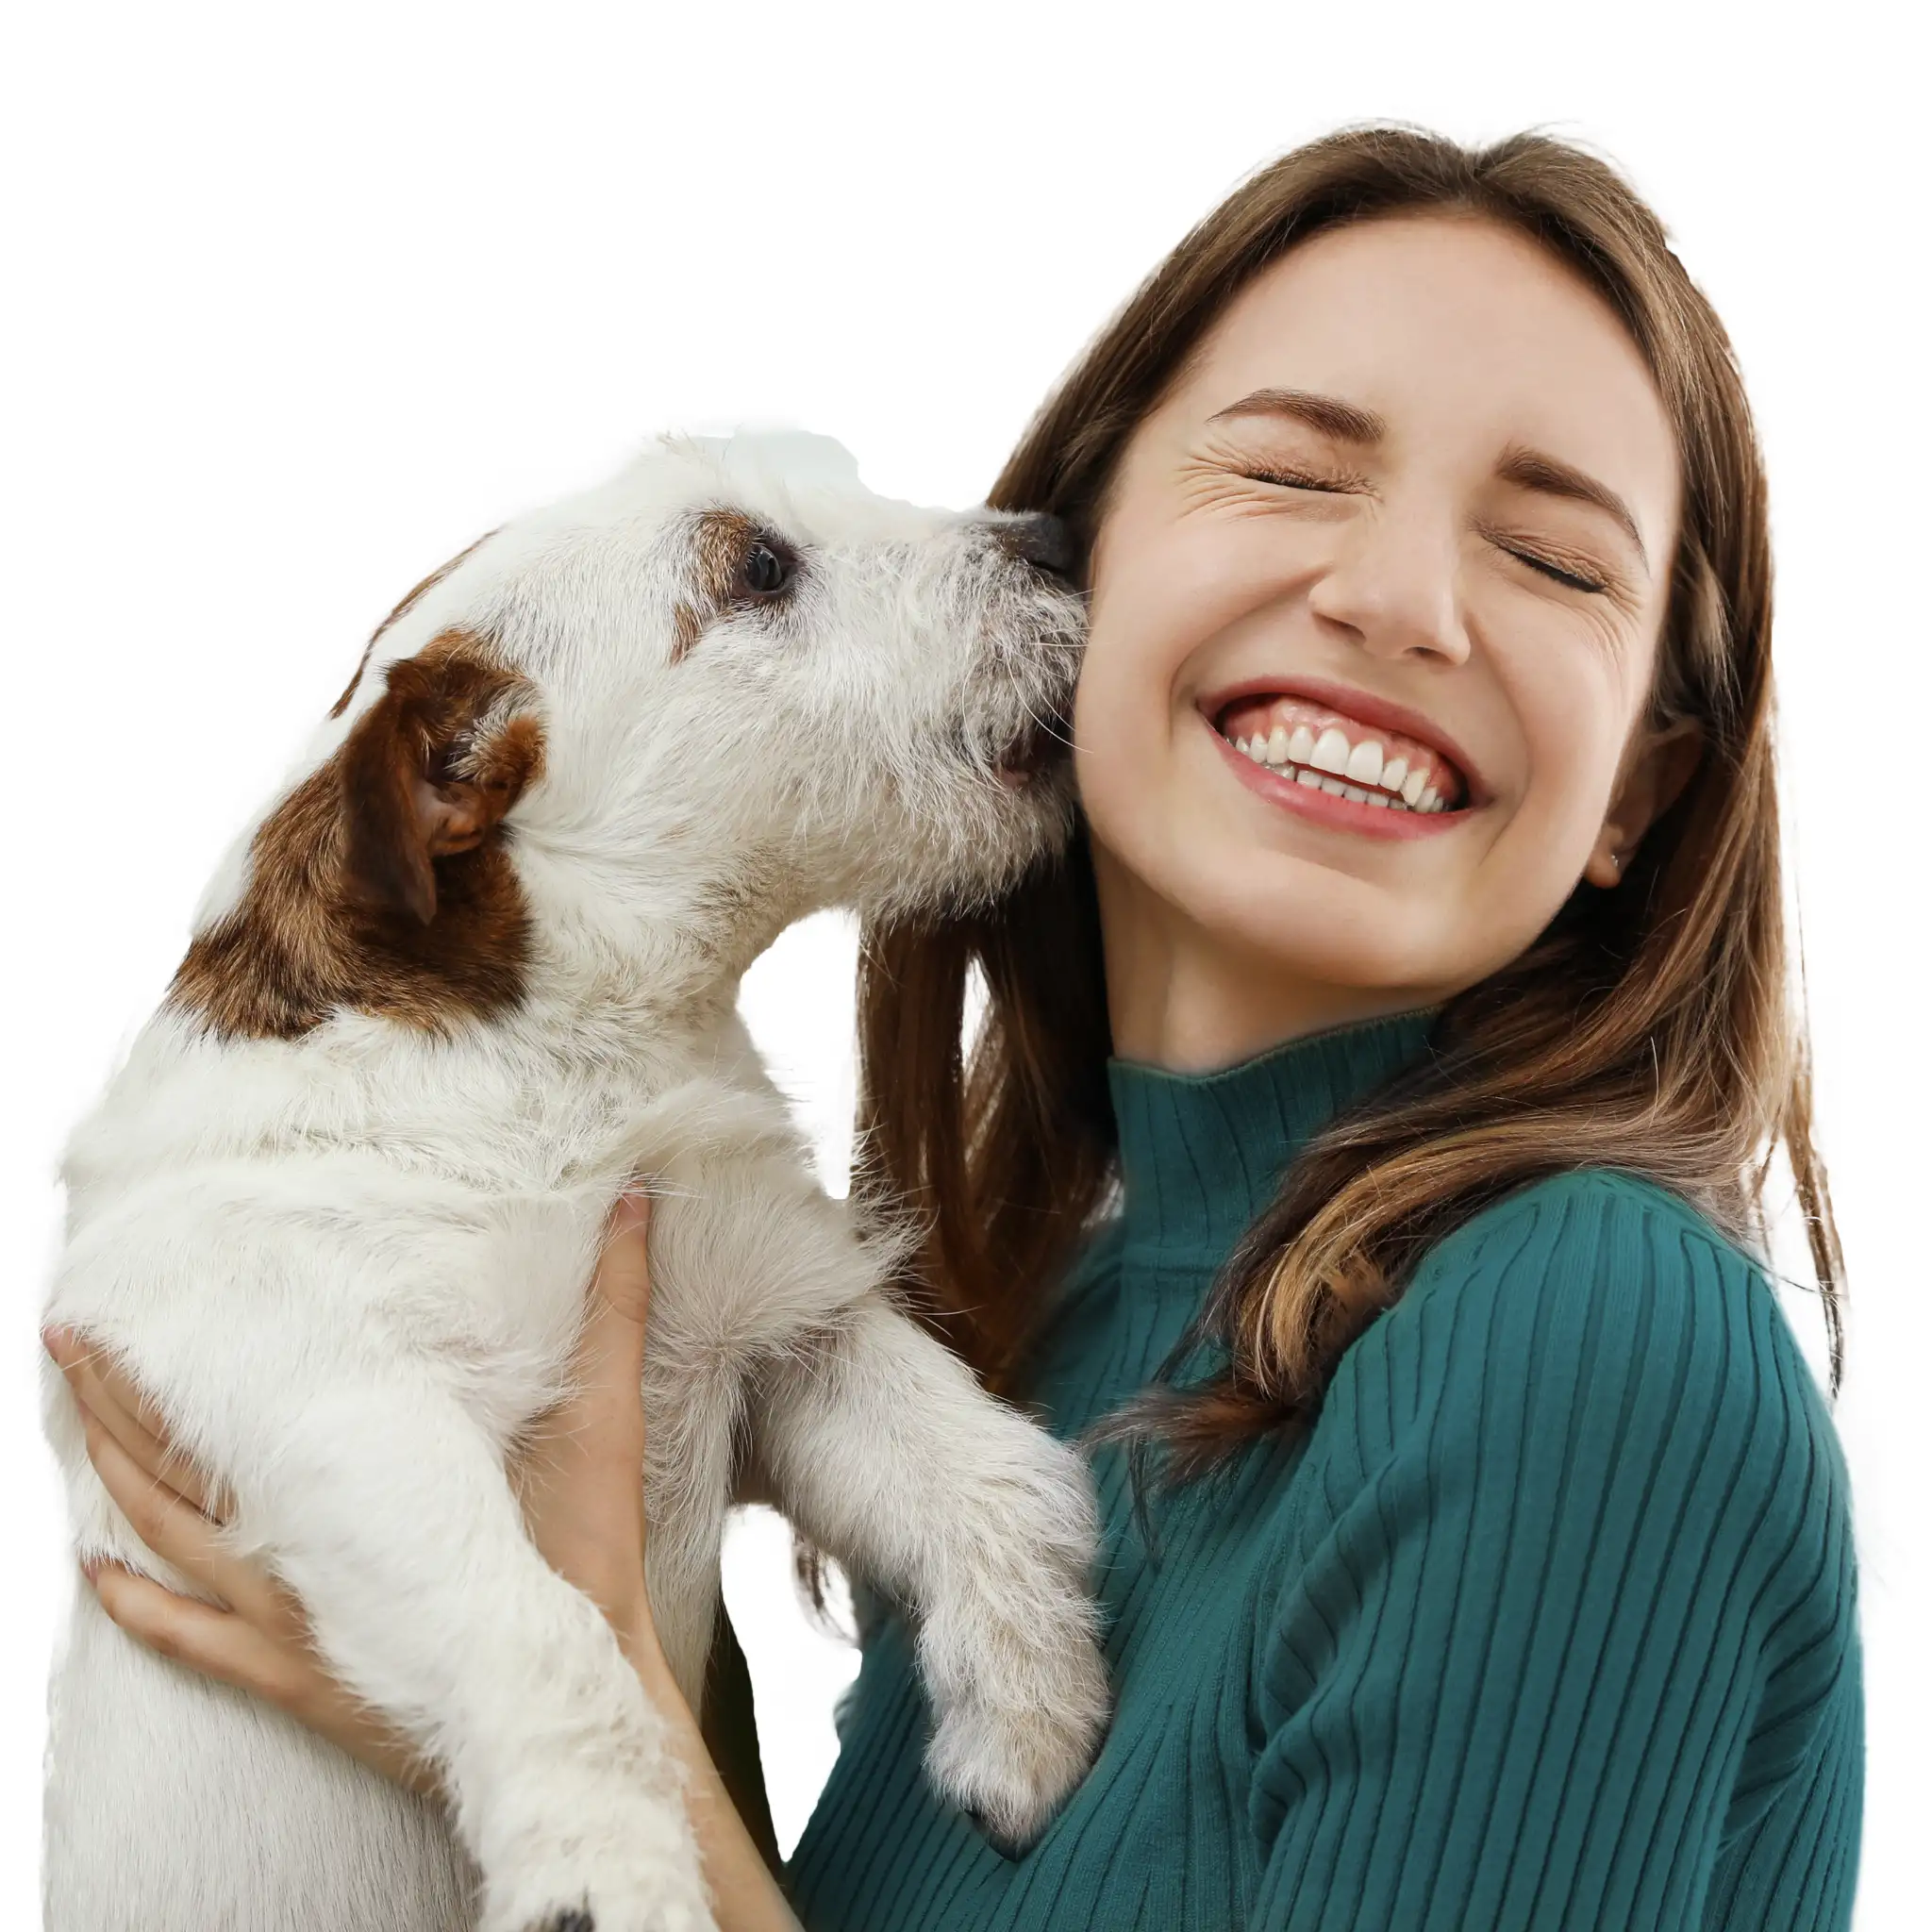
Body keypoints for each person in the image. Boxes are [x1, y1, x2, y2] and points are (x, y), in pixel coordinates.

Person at [44, 125, 1862, 1929]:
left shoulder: (1584, 1333)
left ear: (1640, 789)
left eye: (1553, 557)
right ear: (1094, 548)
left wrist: (584, 1712)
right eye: (1292, 471)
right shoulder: (1060, 1328)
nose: (1398, 601)